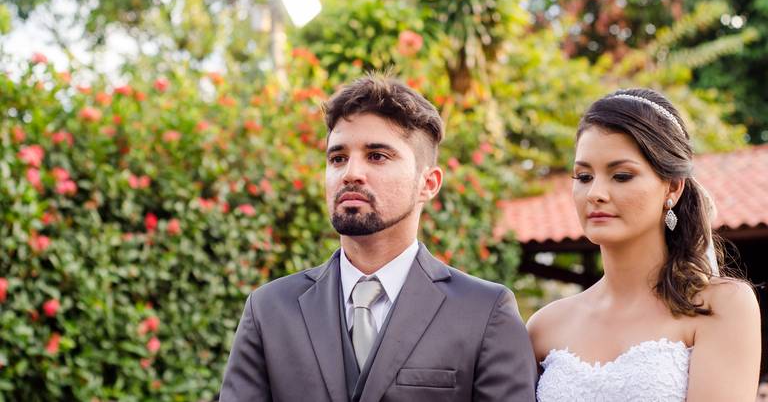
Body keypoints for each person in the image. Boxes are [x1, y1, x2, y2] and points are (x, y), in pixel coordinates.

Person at [220, 75, 537, 401]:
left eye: (377, 156)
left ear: (428, 183)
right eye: (337, 158)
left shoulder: (485, 313)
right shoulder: (269, 310)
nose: (350, 173)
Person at [528, 88, 761, 401]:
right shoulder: (544, 327)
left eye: (621, 176)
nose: (596, 193)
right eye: (583, 176)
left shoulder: (720, 306)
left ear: (673, 187)